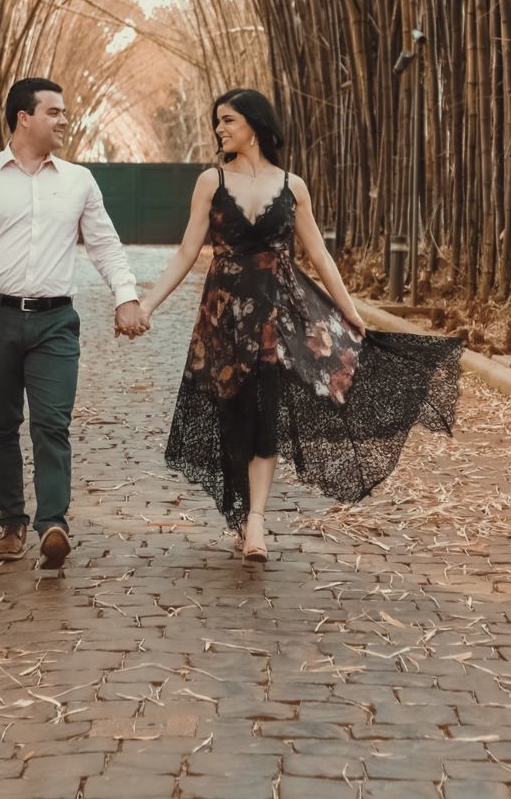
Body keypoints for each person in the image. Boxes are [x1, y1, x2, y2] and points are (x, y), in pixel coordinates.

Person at [137, 88, 461, 560]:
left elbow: (319, 253)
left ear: (253, 124)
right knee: (231, 415)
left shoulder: (293, 186)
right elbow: (188, 251)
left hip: (277, 312)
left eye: (227, 121)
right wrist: (147, 304)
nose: (220, 130)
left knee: (266, 411)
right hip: (224, 313)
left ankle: (256, 524)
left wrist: (349, 309)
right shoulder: (210, 181)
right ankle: (242, 507)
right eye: (218, 122)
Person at [0, 77, 149, 570]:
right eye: (54, 112)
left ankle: (54, 523)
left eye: (65, 112)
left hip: (55, 322)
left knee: (52, 422)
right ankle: (12, 523)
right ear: (23, 118)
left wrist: (127, 296)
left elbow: (105, 245)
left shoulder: (78, 181)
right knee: (2, 425)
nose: (65, 120)